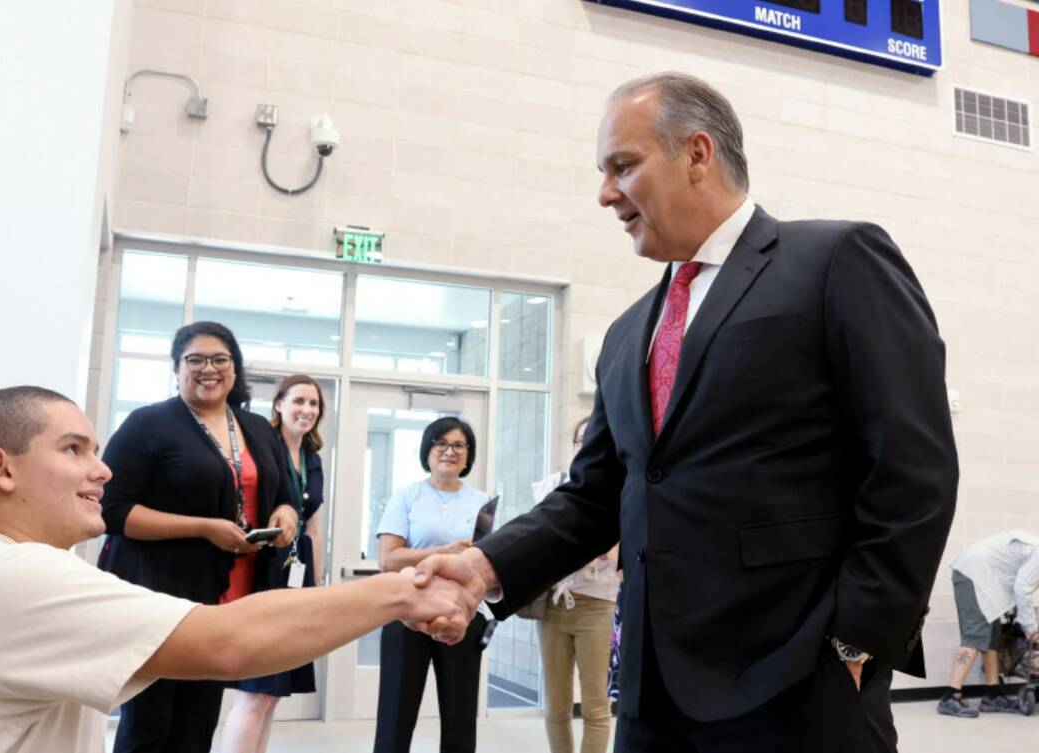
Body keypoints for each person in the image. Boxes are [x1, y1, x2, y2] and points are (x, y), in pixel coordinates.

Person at [411, 72, 959, 752]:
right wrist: (485, 565)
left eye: (624, 167)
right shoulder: (625, 335)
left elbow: (914, 467)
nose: (606, 193)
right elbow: (593, 498)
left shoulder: (835, 261)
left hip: (798, 686)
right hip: (651, 695)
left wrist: (858, 643)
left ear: (697, 153)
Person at [0, 386, 475, 753]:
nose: (104, 470)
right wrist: (400, 593)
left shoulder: (5, 572)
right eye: (75, 450)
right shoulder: (9, 579)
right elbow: (229, 641)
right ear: (2, 469)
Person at [97, 321, 300, 753]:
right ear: (176, 369)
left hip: (228, 599)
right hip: (161, 597)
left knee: (198, 724)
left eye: (220, 359)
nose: (208, 369)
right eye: (195, 360)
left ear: (235, 368)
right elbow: (111, 510)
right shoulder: (148, 423)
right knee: (149, 725)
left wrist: (285, 515)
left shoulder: (257, 428)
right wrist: (204, 528)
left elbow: (286, 495)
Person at [221, 374, 328, 753]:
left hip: (298, 577)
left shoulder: (311, 459)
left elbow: (313, 526)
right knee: (257, 691)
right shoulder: (263, 449)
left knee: (273, 695)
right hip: (266, 571)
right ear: (278, 405)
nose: (307, 410)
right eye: (298, 401)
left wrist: (315, 588)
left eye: (314, 404)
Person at [374, 416, 490, 753]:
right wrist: (445, 552)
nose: (449, 451)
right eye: (441, 443)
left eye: (459, 445)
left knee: (460, 715)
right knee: (396, 714)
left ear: (468, 455)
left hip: (463, 617)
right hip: (406, 616)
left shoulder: (482, 502)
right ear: (428, 450)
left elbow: (488, 562)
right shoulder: (406, 496)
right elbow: (388, 559)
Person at [534, 417, 620, 753]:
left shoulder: (619, 488)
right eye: (579, 439)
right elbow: (539, 542)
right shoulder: (552, 488)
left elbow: (619, 554)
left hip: (598, 605)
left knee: (596, 705)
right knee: (556, 706)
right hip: (553, 604)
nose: (585, 446)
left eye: (593, 438)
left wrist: (598, 548)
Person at [937, 530, 1039, 718]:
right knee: (975, 636)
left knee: (992, 639)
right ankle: (950, 697)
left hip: (984, 580)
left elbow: (1018, 585)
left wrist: (1019, 613)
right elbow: (1023, 588)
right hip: (974, 576)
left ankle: (992, 696)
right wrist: (1032, 630)